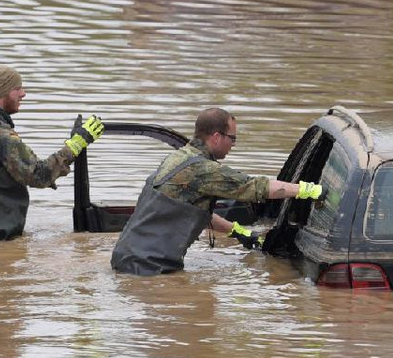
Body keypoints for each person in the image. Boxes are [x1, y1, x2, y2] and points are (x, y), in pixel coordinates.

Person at [111, 107, 324, 275]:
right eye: (232, 138)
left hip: (127, 259)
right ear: (216, 137)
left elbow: (191, 211)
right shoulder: (203, 170)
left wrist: (237, 231)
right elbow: (255, 186)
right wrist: (307, 190)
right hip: (147, 270)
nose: (233, 145)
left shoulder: (180, 157)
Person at [0, 64, 105, 240]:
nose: (23, 94)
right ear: (2, 91)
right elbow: (38, 175)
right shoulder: (0, 133)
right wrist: (76, 144)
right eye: (17, 88)